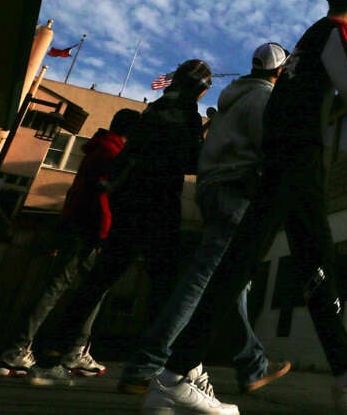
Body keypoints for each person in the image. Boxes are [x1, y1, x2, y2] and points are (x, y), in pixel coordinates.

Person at [142, 0, 347, 415]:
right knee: (242, 263)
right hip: (298, 164)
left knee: (311, 261)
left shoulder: (302, 48)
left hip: (283, 163)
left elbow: (278, 112)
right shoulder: (334, 34)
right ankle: (175, 375)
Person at [116, 43, 294, 398]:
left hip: (213, 190)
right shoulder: (264, 100)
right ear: (279, 72)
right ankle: (146, 365)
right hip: (236, 192)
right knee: (202, 281)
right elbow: (270, 148)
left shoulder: (233, 99)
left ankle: (252, 364)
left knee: (233, 283)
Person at [31, 59, 214, 384]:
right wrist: (206, 139)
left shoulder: (155, 109)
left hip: (128, 203)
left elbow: (131, 155)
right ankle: (152, 367)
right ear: (200, 87)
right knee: (163, 289)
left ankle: (50, 355)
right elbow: (189, 160)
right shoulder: (184, 113)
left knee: (97, 281)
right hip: (158, 205)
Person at [0, 107, 142, 378]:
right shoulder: (112, 153)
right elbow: (103, 197)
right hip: (91, 230)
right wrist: (105, 233)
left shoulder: (99, 149)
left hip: (77, 225)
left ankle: (25, 349)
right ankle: (60, 351)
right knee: (86, 290)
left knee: (62, 287)